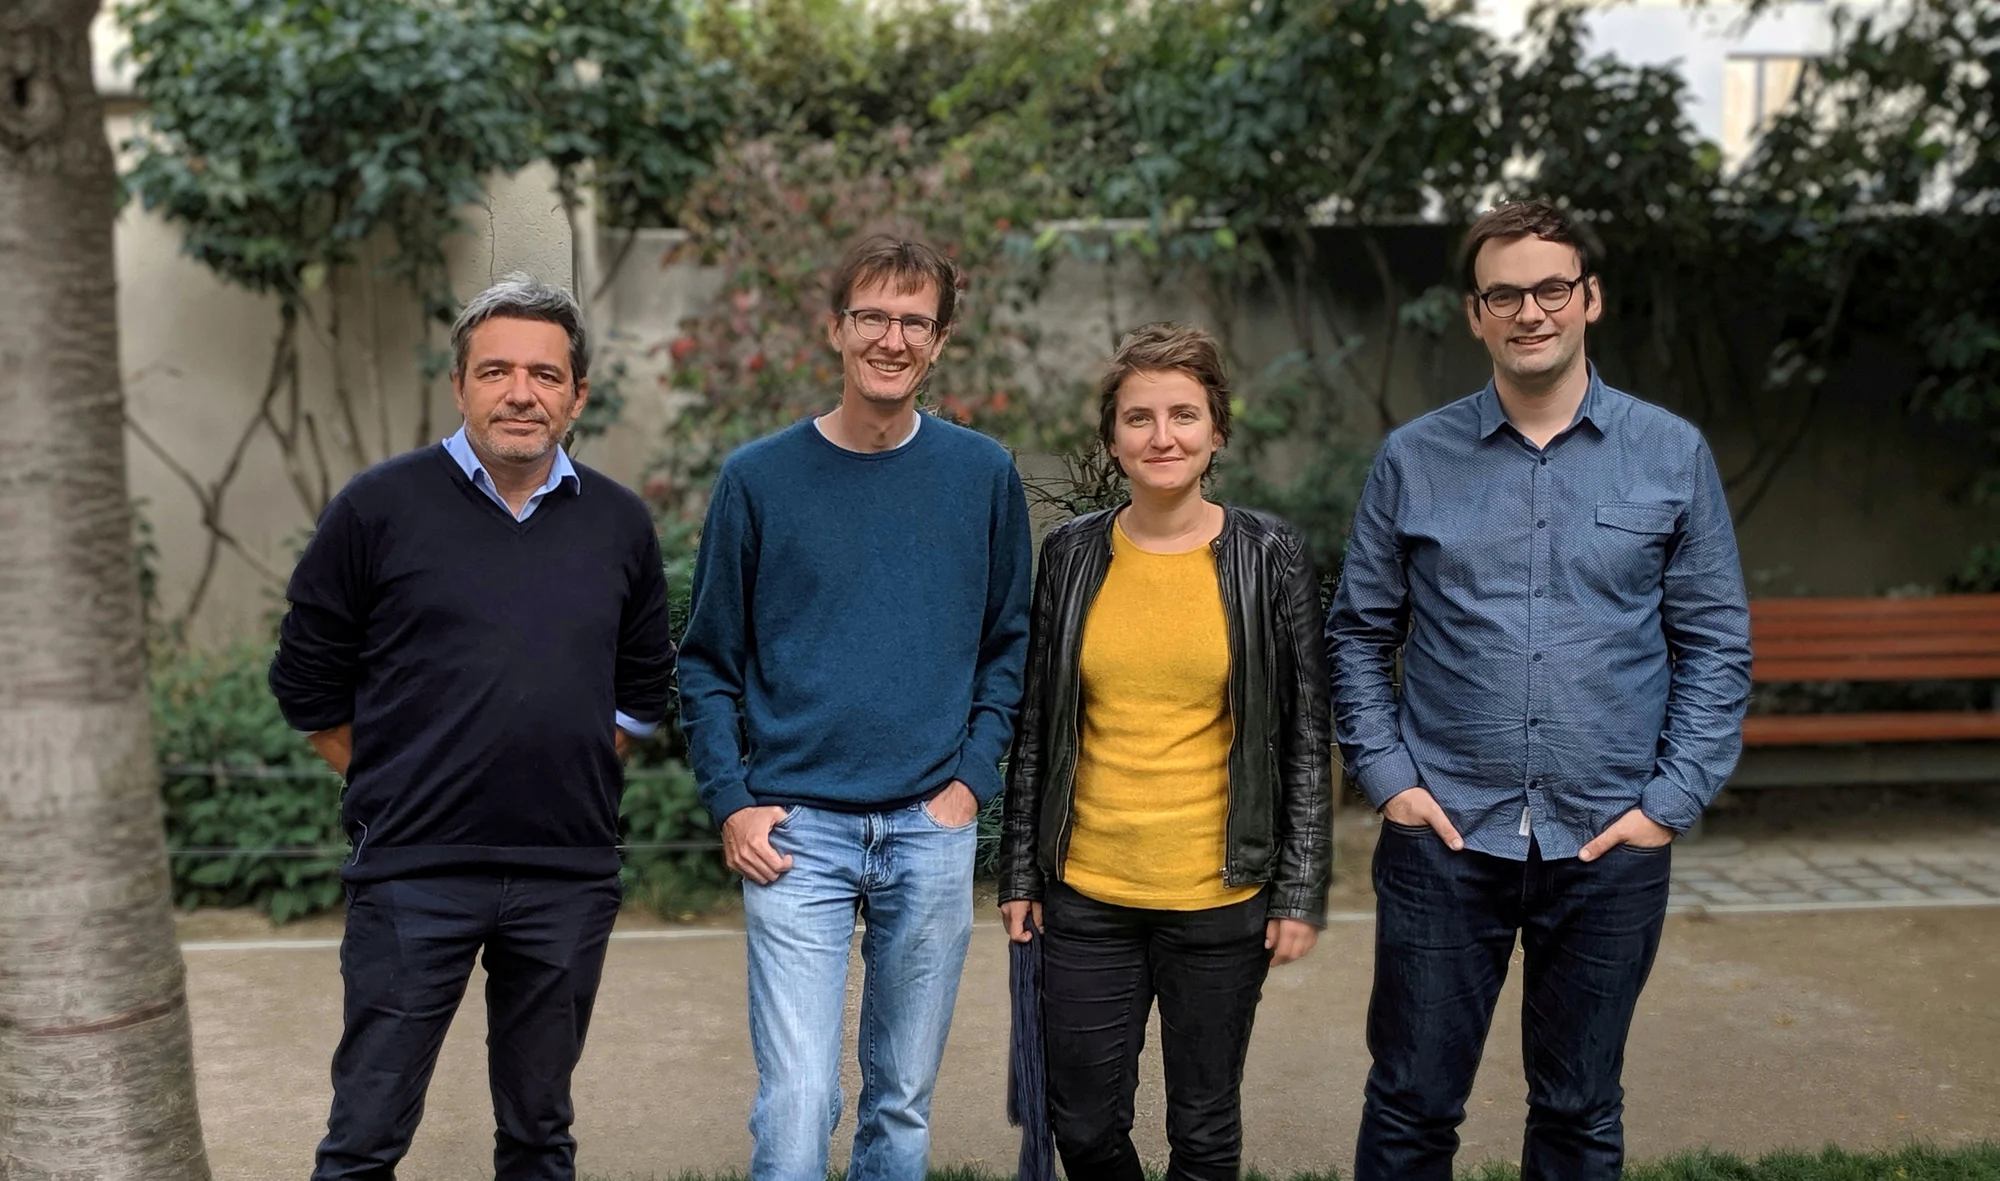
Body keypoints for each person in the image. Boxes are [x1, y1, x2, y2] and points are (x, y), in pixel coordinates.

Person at [1327, 199, 1754, 1181]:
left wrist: (1666, 803)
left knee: (1577, 1109)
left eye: (1550, 287)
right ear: (1473, 314)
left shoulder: (1668, 454)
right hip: (1443, 839)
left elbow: (1713, 643)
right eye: (1503, 293)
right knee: (1409, 1105)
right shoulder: (1412, 459)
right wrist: (1390, 778)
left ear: (1588, 298)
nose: (1530, 311)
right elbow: (1356, 633)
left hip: (1607, 840)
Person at [268, 274, 676, 1181]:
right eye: (495, 370)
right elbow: (305, 683)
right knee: (365, 1134)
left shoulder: (618, 522)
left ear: (577, 394)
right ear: (459, 385)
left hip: (566, 877)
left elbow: (644, 684)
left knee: (539, 1136)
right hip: (413, 874)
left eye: (544, 373)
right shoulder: (378, 508)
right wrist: (392, 778)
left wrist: (560, 760)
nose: (520, 392)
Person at [675, 235, 1033, 1181]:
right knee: (797, 1106)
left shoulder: (981, 474)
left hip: (931, 824)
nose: (892, 338)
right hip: (797, 831)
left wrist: (970, 785)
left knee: (901, 1107)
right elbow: (707, 660)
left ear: (941, 342)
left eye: (915, 321)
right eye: (872, 316)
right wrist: (731, 799)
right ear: (835, 329)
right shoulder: (759, 479)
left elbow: (1010, 644)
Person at [997, 322, 1334, 1181]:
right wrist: (1022, 875)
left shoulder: (1270, 555)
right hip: (1088, 893)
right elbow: (1039, 723)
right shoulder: (1072, 554)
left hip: (1220, 895)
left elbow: (1302, 736)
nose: (1162, 436)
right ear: (1112, 438)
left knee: (1204, 1126)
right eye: (1139, 418)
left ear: (1217, 429)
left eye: (1184, 414)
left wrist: (1297, 888)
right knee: (1081, 1121)